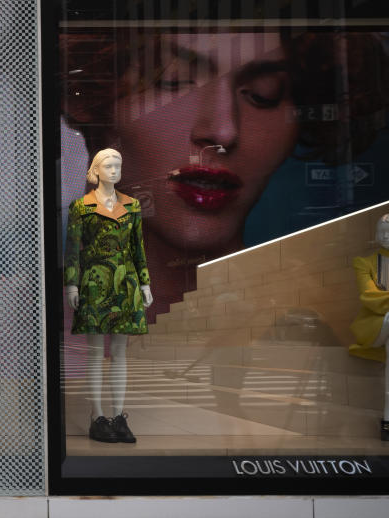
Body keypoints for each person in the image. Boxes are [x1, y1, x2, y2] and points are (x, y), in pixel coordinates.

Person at [61, 30, 389, 318]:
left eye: (263, 94)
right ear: (93, 97)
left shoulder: (324, 312)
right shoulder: (25, 320)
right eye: (173, 79)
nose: (223, 131)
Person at [65, 148, 152, 443]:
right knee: (93, 354)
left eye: (118, 165)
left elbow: (137, 248)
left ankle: (118, 417)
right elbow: (73, 250)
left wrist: (144, 283)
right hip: (94, 284)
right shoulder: (81, 207)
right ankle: (97, 416)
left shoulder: (133, 206)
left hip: (125, 284)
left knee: (119, 353)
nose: (115, 170)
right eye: (109, 165)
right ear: (97, 170)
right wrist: (72, 285)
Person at [348, 214, 389, 441]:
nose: (386, 237)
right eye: (382, 232)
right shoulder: (364, 263)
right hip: (376, 324)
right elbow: (370, 296)